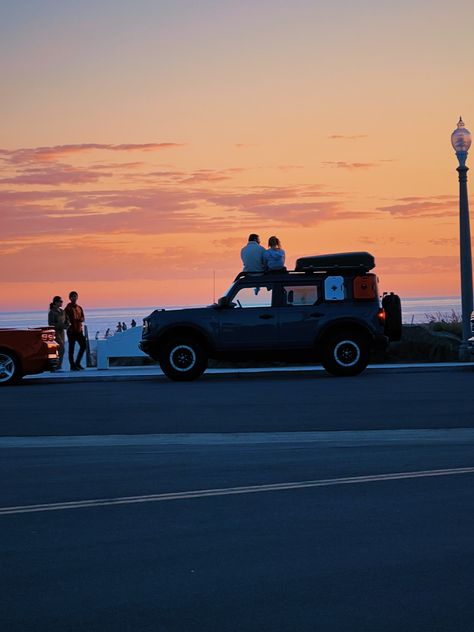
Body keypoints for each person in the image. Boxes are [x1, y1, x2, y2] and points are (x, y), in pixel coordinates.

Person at [64, 291, 86, 371]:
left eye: (75, 296)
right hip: (71, 331)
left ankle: (77, 363)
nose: (74, 298)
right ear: (70, 298)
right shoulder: (67, 308)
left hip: (79, 330)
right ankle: (72, 365)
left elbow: (83, 317)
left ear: (77, 297)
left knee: (84, 346)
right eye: (72, 296)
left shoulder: (79, 307)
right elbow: (65, 320)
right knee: (71, 349)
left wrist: (80, 319)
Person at [48, 296, 69, 370]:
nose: (61, 303)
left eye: (62, 301)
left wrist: (67, 324)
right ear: (56, 302)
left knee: (61, 349)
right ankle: (56, 366)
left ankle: (59, 366)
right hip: (55, 332)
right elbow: (51, 324)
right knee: (61, 348)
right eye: (60, 301)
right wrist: (61, 325)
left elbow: (67, 319)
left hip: (62, 332)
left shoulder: (62, 311)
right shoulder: (52, 312)